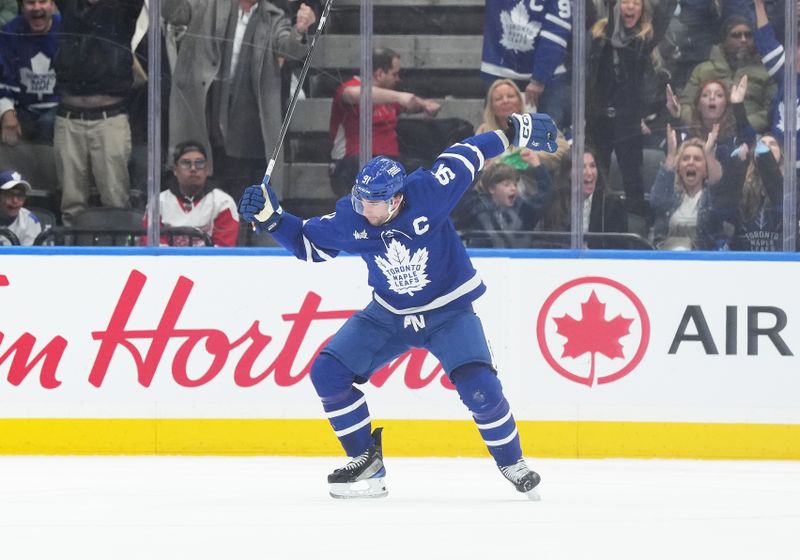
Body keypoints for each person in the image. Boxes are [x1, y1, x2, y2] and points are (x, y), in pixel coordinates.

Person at [238, 112, 559, 499]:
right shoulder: (351, 216)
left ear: (398, 197)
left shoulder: (430, 191)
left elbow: (469, 152)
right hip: (388, 315)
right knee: (328, 373)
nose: (366, 210)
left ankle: (512, 462)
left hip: (448, 311)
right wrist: (273, 219)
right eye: (361, 199)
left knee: (481, 390)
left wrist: (514, 132)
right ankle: (367, 467)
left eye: (375, 203)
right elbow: (311, 244)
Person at [164, 0, 316, 202]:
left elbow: (289, 49)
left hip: (246, 125)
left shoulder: (273, 16)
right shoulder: (207, 4)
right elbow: (172, 13)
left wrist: (300, 29)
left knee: (241, 193)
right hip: (206, 116)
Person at [53, 0, 144, 226]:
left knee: (115, 200)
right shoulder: (70, 6)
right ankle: (72, 251)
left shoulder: (122, 8)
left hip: (109, 119)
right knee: (70, 204)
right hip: (68, 118)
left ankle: (120, 252)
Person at [587, 0, 676, 218]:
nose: (630, 7)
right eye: (625, 2)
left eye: (636, 3)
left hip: (628, 121)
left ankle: (634, 234)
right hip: (599, 119)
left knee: (633, 181)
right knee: (599, 179)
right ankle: (597, 227)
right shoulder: (599, 36)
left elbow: (665, 11)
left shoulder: (644, 39)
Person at [328, 47, 441, 197]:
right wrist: (399, 97)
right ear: (380, 74)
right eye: (394, 74)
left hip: (389, 165)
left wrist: (425, 104)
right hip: (354, 165)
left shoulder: (388, 97)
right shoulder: (348, 88)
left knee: (431, 175)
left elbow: (410, 105)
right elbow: (355, 94)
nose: (397, 79)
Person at [479, 0, 572, 129]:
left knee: (549, 136)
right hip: (499, 68)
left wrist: (540, 76)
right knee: (494, 136)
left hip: (550, 75)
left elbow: (558, 29)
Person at [679, 15, 775, 133]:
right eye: (736, 35)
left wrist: (742, 125)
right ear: (724, 41)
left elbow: (772, 110)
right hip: (703, 134)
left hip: (751, 136)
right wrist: (702, 125)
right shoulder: (702, 70)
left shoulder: (766, 72)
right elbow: (685, 105)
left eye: (748, 35)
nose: (743, 39)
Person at [475, 79, 568, 192]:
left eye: (510, 96)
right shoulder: (484, 131)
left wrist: (536, 156)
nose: (505, 101)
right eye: (498, 99)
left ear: (520, 102)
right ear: (492, 107)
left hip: (534, 194)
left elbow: (563, 150)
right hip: (496, 198)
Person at [144, 141, 239, 247]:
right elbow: (152, 247)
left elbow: (223, 251)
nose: (193, 168)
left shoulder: (223, 203)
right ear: (175, 170)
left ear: (207, 169)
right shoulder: (158, 203)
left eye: (199, 163)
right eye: (185, 163)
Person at [650, 123, 722, 249]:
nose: (690, 162)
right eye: (685, 158)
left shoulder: (711, 198)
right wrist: (672, 154)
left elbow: (717, 194)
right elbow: (657, 202)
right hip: (666, 258)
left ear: (705, 170)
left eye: (697, 159)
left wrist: (709, 154)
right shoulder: (670, 196)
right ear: (678, 168)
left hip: (701, 260)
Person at [0, 0, 60, 146]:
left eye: (42, 1)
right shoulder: (11, 32)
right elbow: (3, 77)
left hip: (59, 110)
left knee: (48, 125)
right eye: (30, 3)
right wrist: (7, 113)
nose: (37, 7)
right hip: (23, 109)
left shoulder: (66, 27)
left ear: (52, 5)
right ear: (22, 7)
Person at [462, 161, 554, 248]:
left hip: (520, 261)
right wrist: (479, 172)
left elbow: (545, 195)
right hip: (483, 261)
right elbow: (461, 196)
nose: (513, 188)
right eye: (507, 185)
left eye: (515, 184)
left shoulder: (524, 209)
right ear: (491, 189)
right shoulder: (477, 207)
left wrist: (537, 165)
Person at [542, 148, 628, 237]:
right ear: (568, 173)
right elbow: (545, 242)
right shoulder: (554, 201)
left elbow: (618, 247)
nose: (589, 172)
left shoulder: (612, 205)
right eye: (582, 167)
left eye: (592, 166)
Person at [0, 169, 42, 245]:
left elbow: (30, 255)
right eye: (9, 194)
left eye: (20, 195)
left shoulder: (30, 221)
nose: (15, 200)